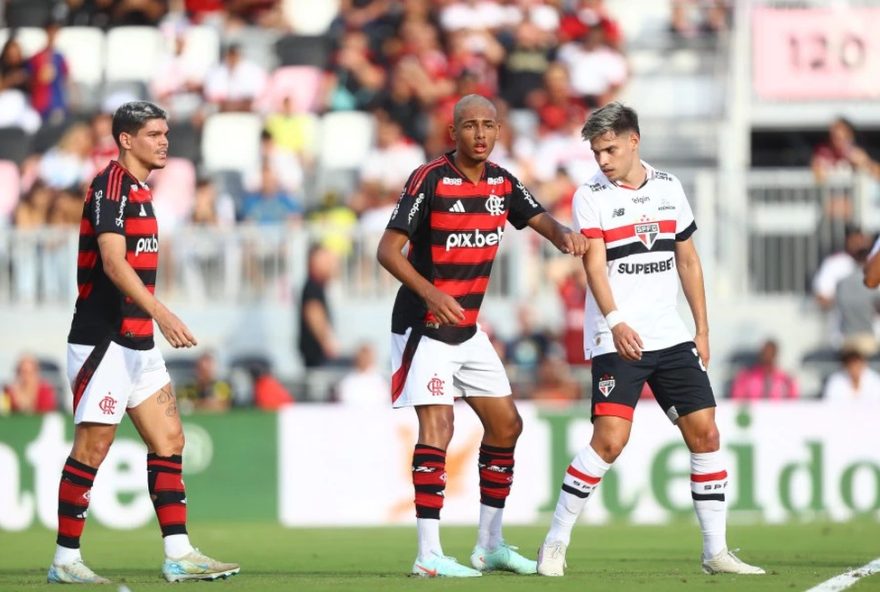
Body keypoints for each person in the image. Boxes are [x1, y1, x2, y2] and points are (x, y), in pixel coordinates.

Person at [536, 102, 764, 577]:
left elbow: (689, 260)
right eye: (597, 152)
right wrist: (616, 320)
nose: (602, 159)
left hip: (670, 335)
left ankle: (715, 551)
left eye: (610, 149)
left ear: (634, 140)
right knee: (610, 441)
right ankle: (555, 541)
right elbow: (593, 264)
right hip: (616, 336)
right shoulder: (590, 196)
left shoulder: (669, 188)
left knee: (707, 434)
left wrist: (701, 328)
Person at [376, 94, 588, 578]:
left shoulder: (502, 182)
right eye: (469, 125)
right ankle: (428, 554)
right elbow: (387, 251)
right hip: (423, 325)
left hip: (467, 330)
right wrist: (430, 293)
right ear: (453, 132)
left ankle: (489, 545)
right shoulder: (429, 178)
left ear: (499, 130)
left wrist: (566, 236)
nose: (479, 134)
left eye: (488, 125)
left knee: (507, 425)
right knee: (439, 430)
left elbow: (541, 220)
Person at [49, 101, 239, 584]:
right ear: (126, 140)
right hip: (104, 339)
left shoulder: (140, 191)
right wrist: (162, 311)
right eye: (153, 134)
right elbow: (113, 264)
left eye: (165, 133)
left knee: (170, 439)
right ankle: (65, 561)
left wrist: (151, 320)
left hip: (139, 341)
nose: (164, 141)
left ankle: (178, 553)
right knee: (93, 448)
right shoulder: (109, 186)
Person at [298, 244, 340, 368]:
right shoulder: (312, 287)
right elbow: (314, 314)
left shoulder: (316, 286)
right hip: (317, 357)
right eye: (326, 261)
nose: (330, 266)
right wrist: (328, 343)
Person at [730, 339, 799, 401]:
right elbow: (737, 398)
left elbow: (793, 401)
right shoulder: (747, 377)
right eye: (765, 352)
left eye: (771, 352)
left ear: (775, 354)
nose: (767, 355)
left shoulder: (785, 379)